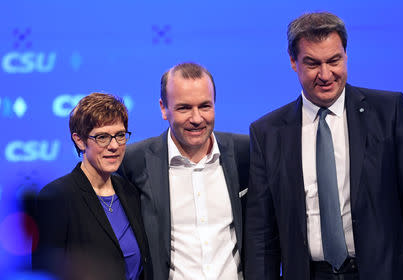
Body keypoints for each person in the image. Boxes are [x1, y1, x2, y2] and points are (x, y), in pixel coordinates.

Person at [245, 11, 403, 280]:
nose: (326, 74)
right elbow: (262, 237)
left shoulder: (389, 114)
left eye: (334, 60)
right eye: (313, 63)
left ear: (346, 56)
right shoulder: (267, 133)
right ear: (293, 62)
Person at [119, 62, 249, 279]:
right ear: (163, 108)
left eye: (205, 106)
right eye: (184, 108)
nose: (197, 118)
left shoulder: (245, 153)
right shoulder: (134, 161)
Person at [33, 93, 152, 280]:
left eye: (120, 135)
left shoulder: (129, 191)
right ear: (79, 140)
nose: (114, 146)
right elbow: (46, 272)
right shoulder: (58, 196)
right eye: (102, 137)